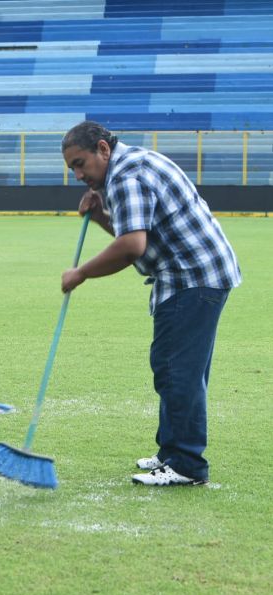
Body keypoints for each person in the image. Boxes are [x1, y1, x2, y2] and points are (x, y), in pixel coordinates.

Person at [60, 121, 241, 486]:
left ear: (103, 149)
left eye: (81, 163)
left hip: (193, 276)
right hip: (194, 274)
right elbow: (136, 232)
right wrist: (98, 217)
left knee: (177, 369)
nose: (78, 174)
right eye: (72, 168)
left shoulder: (127, 176)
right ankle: (171, 452)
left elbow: (132, 247)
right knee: (177, 366)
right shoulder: (131, 166)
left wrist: (81, 273)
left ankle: (186, 464)